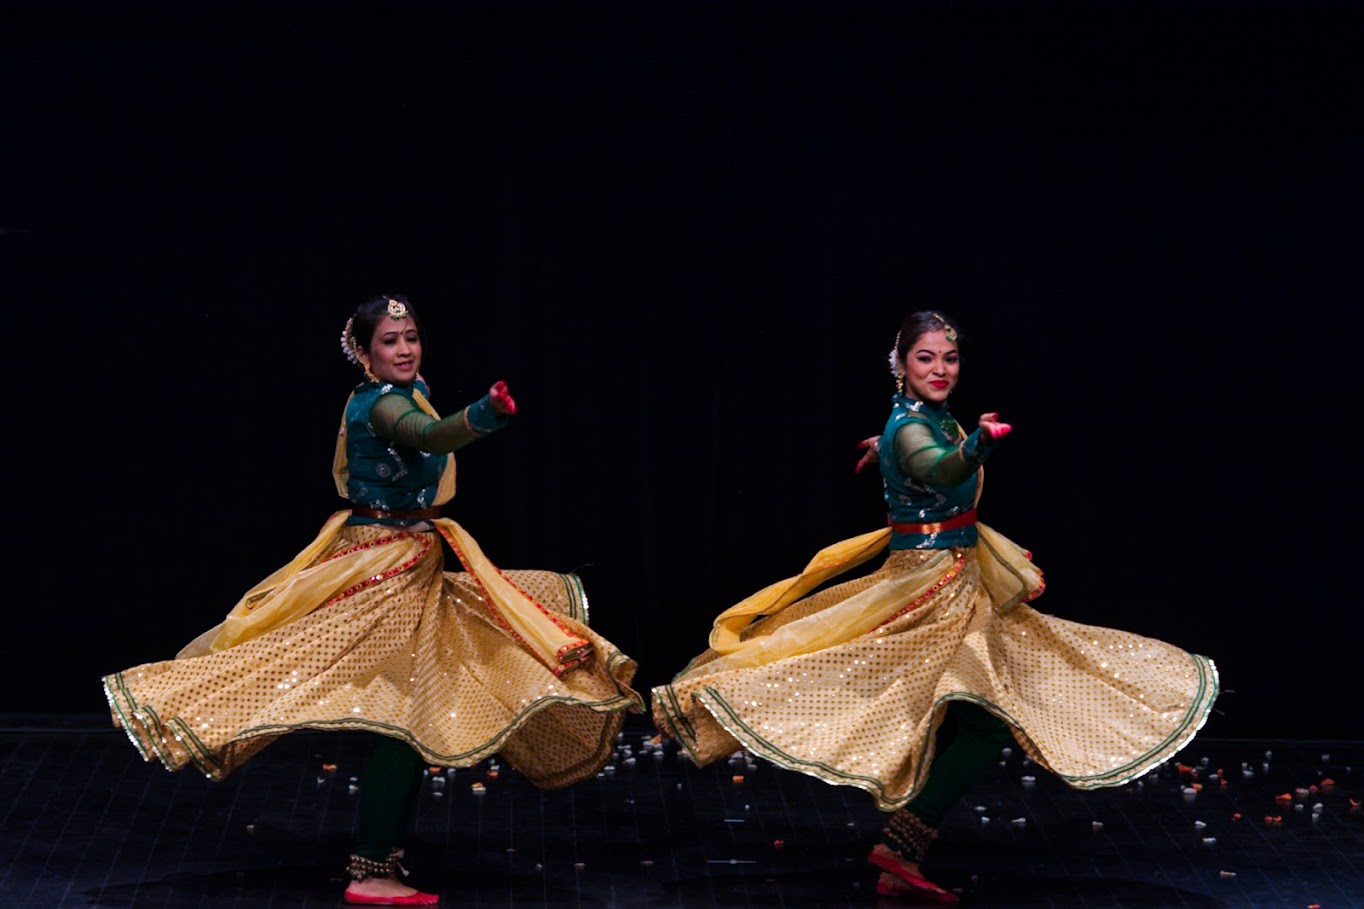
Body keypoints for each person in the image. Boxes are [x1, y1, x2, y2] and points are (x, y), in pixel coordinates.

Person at [652, 310, 1218, 902]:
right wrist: (970, 447)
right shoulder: (914, 428)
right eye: (926, 359)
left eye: (949, 359)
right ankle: (902, 841)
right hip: (930, 587)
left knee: (975, 713)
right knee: (974, 714)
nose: (941, 369)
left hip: (953, 573)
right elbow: (937, 467)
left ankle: (903, 842)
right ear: (900, 365)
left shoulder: (920, 418)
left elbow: (916, 450)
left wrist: (891, 448)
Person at [103, 294, 644, 906]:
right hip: (384, 567)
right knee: (374, 701)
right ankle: (369, 870)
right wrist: (483, 415)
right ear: (363, 354)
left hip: (412, 556)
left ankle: (376, 862)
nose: (406, 348)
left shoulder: (404, 391)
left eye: (411, 336)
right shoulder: (384, 404)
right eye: (390, 341)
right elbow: (429, 434)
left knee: (411, 716)